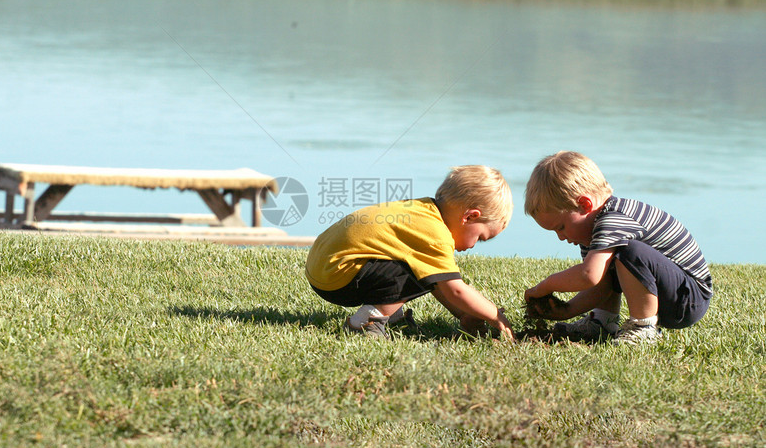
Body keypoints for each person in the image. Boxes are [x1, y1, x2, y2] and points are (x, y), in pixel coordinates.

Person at [305, 165, 515, 341]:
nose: (473, 246)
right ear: (469, 217)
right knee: (415, 271)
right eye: (480, 237)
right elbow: (455, 290)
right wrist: (495, 317)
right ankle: (365, 323)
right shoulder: (435, 234)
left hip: (323, 266)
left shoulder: (422, 209)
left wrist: (463, 314)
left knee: (423, 269)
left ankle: (392, 316)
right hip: (338, 277)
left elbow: (437, 283)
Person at [523, 151, 712, 344]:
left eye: (561, 227)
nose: (561, 237)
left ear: (585, 204)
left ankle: (643, 328)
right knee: (612, 260)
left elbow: (588, 275)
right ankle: (603, 322)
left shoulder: (614, 219)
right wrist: (567, 310)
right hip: (669, 293)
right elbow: (600, 284)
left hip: (688, 298)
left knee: (629, 252)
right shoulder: (594, 232)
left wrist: (546, 286)